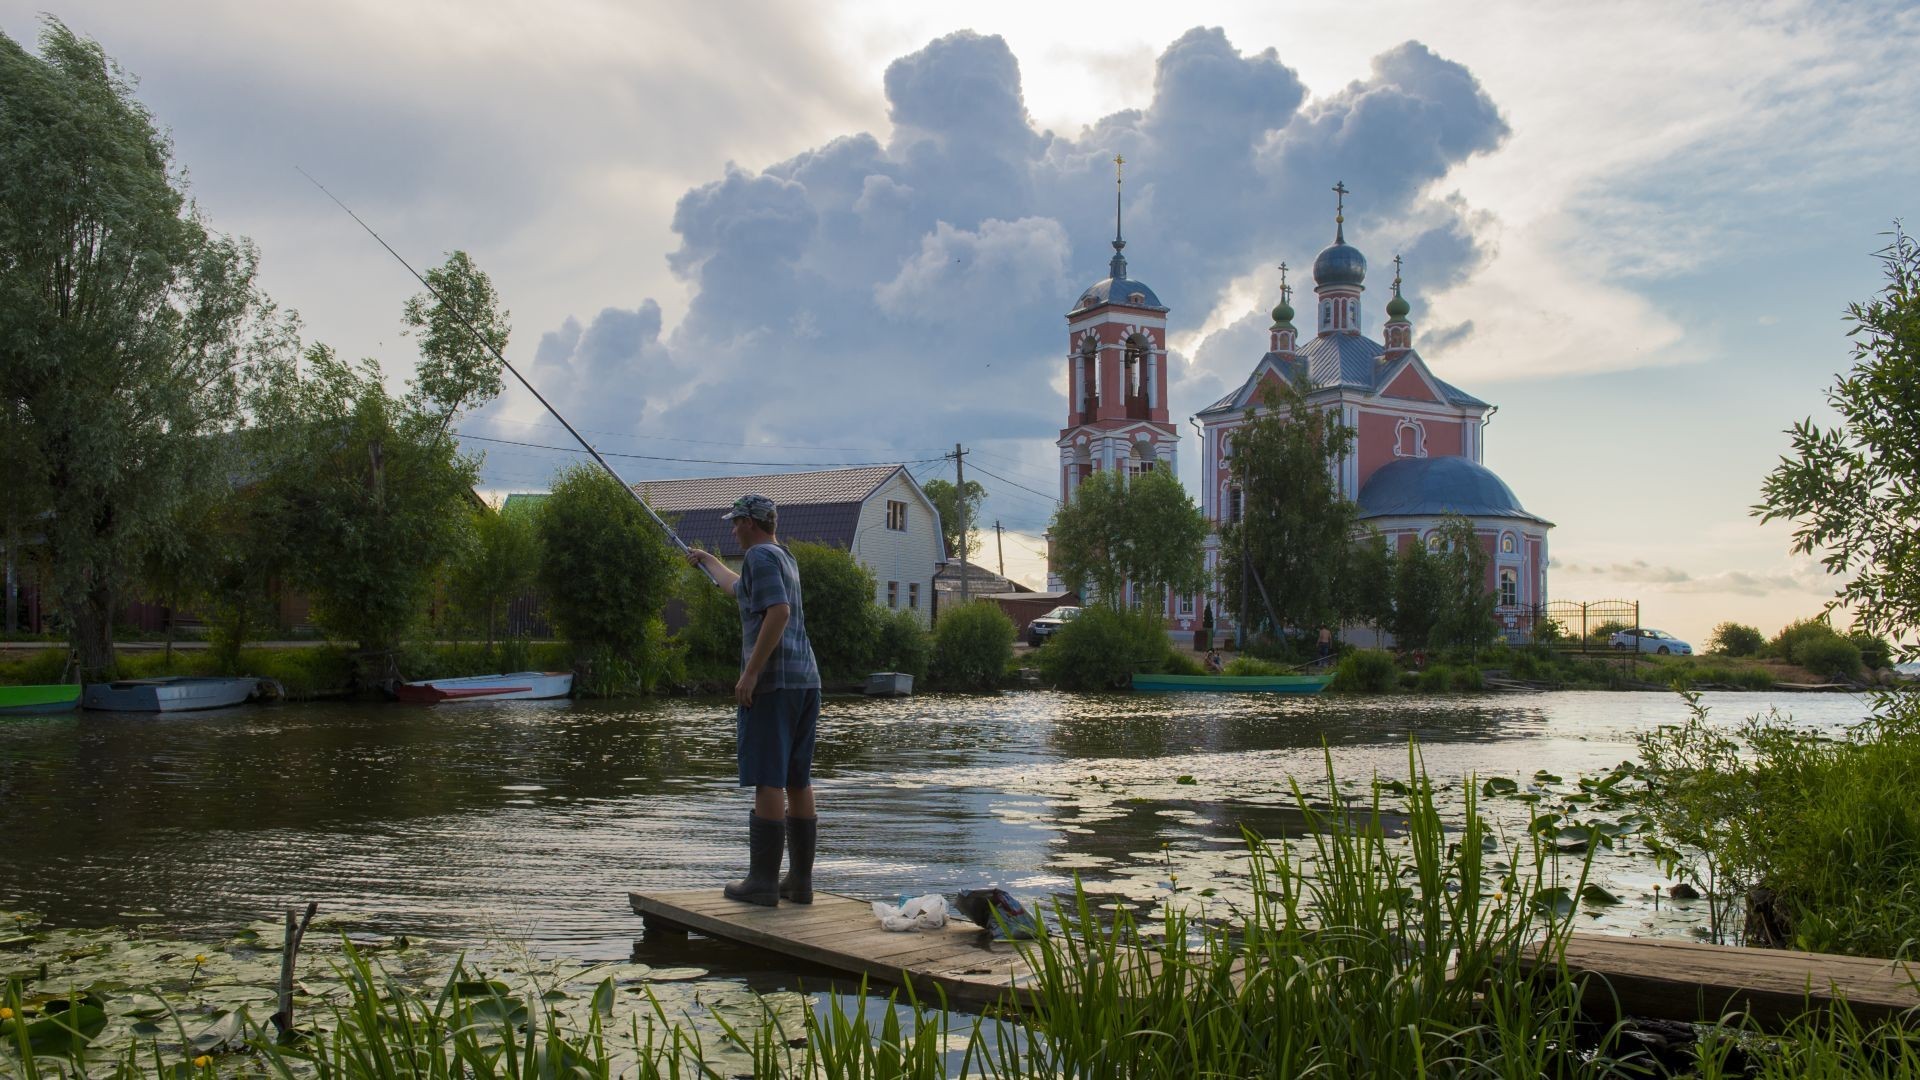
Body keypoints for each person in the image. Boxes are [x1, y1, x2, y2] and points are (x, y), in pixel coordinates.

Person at [686, 493, 822, 907]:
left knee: (768, 778)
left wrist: (750, 672)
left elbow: (777, 612)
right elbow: (736, 588)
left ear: (749, 523)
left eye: (735, 522)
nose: (732, 529)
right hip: (805, 681)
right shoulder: (782, 557)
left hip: (774, 685)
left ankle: (762, 884)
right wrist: (707, 561)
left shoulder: (760, 560)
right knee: (798, 780)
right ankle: (798, 884)